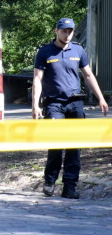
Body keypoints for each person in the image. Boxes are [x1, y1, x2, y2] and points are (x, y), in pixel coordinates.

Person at [32, 17, 109, 199]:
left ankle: (70, 187)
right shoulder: (45, 52)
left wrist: (101, 98)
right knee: (57, 144)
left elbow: (88, 75)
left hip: (75, 103)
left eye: (70, 31)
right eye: (64, 31)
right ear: (56, 31)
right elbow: (37, 79)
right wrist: (35, 105)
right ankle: (50, 182)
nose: (67, 34)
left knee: (75, 146)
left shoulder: (78, 50)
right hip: (54, 104)